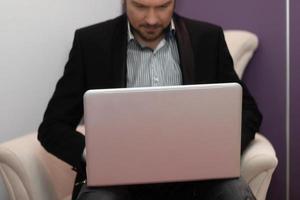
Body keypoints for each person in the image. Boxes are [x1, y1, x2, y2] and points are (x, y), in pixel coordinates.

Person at [38, 0, 262, 199]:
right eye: (141, 7)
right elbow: (52, 127)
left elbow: (249, 112)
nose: (152, 19)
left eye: (163, 6)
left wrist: (219, 151)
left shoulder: (207, 39)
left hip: (197, 177)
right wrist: (95, 154)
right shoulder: (91, 44)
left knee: (235, 193)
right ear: (124, 2)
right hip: (116, 179)